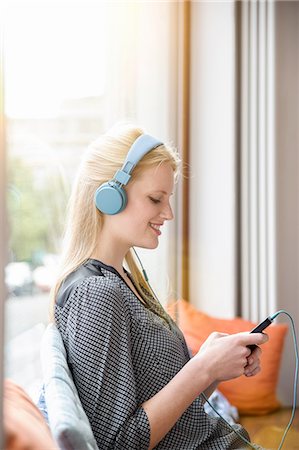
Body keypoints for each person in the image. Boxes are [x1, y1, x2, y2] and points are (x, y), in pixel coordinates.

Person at [50, 124, 268, 450]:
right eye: (155, 199)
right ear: (109, 197)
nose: (168, 213)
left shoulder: (125, 279)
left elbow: (173, 415)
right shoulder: (95, 295)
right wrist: (202, 368)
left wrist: (213, 368)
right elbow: (120, 443)